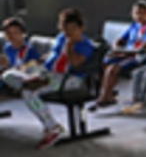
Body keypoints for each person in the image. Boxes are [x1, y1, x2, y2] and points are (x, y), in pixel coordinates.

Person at [6, 9, 95, 149]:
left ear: (81, 28)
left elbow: (75, 63)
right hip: (48, 73)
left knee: (28, 93)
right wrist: (38, 62)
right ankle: (31, 81)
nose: (67, 33)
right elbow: (53, 55)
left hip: (69, 80)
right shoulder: (61, 38)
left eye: (71, 29)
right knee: (9, 75)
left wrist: (69, 47)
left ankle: (52, 128)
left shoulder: (85, 45)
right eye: (64, 29)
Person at [95, 0, 146, 108]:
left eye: (142, 13)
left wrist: (128, 52)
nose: (139, 16)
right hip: (126, 53)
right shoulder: (134, 26)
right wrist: (116, 47)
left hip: (138, 56)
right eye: (137, 13)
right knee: (107, 61)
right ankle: (108, 92)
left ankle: (104, 96)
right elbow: (121, 39)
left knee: (113, 68)